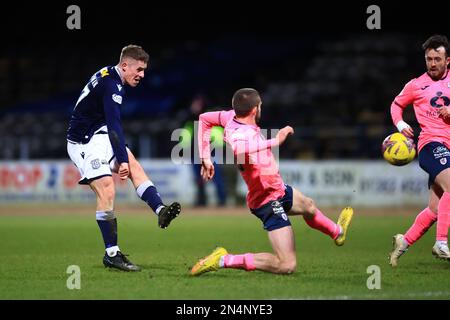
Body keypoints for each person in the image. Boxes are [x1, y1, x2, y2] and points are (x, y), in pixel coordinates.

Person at [190, 88, 354, 275]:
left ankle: (337, 232)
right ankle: (223, 259)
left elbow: (204, 119)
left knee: (308, 206)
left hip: (278, 188)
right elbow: (239, 149)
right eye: (260, 106)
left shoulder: (229, 117)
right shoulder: (241, 135)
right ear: (255, 109)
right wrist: (274, 141)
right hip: (267, 200)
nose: (261, 109)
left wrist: (205, 157)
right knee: (287, 265)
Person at [66, 45, 181, 272]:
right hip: (84, 142)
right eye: (138, 69)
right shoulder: (111, 84)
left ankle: (160, 210)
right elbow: (114, 124)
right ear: (125, 65)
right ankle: (112, 254)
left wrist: (125, 160)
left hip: (99, 135)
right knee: (108, 188)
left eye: (144, 70)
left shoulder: (112, 76)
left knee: (135, 168)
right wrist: (122, 158)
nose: (142, 75)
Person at [389, 34, 450, 267]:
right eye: (428, 59)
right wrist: (401, 124)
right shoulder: (416, 84)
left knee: (435, 209)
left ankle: (404, 241)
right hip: (430, 145)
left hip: (449, 148)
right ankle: (441, 242)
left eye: (437, 58)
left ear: (448, 60)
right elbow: (396, 105)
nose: (432, 63)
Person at [181, 94, 227, 206]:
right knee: (199, 180)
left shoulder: (209, 119)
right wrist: (183, 148)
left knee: (216, 178)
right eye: (194, 104)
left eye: (197, 104)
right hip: (194, 154)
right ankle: (202, 201)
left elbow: (218, 136)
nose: (194, 106)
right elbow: (185, 136)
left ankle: (222, 201)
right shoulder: (189, 120)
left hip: (210, 154)